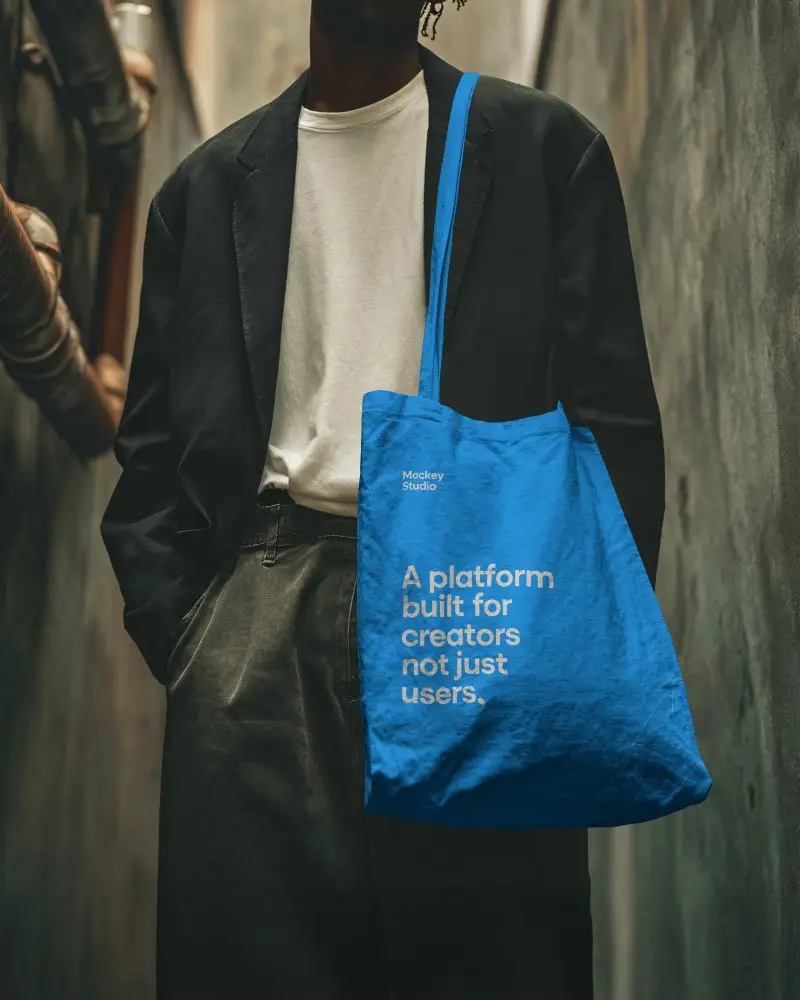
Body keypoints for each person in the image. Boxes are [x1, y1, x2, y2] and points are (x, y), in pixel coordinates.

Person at [102, 1, 665, 997]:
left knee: (490, 963)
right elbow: (148, 461)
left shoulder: (542, 152)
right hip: (256, 634)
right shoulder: (201, 194)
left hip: (482, 622)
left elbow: (616, 431)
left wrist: (548, 644)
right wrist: (194, 635)